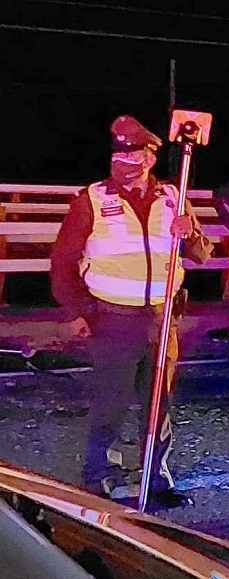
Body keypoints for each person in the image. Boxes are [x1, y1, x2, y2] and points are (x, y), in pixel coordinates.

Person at [50, 115, 213, 506]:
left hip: (161, 319)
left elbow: (202, 254)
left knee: (159, 403)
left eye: (133, 154)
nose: (124, 161)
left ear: (149, 158)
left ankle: (156, 476)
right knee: (111, 402)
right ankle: (97, 476)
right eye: (119, 154)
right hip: (112, 320)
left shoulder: (173, 197)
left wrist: (188, 231)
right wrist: (78, 311)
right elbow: (62, 262)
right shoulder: (92, 199)